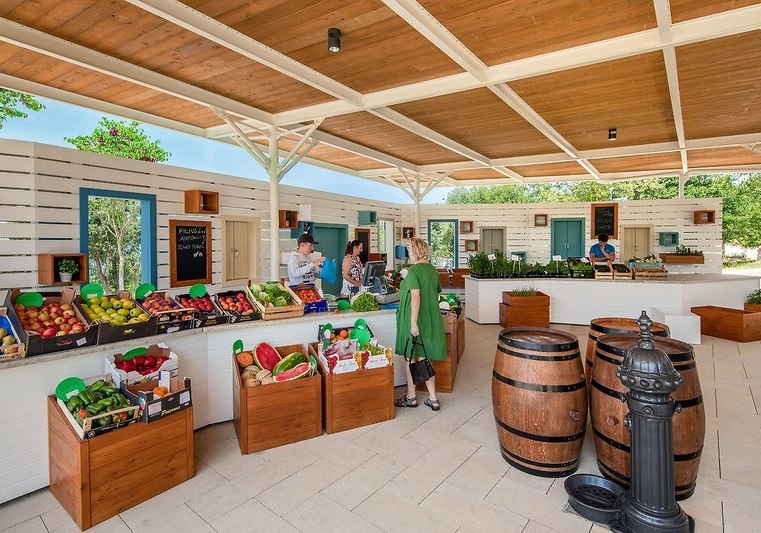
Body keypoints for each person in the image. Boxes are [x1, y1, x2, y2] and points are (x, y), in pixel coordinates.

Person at [394, 238, 446, 412]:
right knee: (424, 357)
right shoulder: (432, 270)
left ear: (415, 251)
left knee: (409, 358)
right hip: (429, 318)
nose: (408, 252)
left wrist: (413, 323)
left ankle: (411, 397)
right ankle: (433, 398)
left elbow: (416, 297)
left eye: (409, 249)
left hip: (414, 318)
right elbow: (434, 293)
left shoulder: (414, 271)